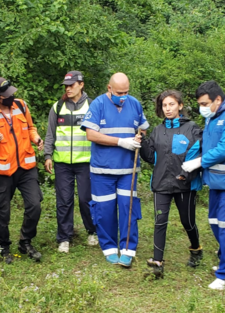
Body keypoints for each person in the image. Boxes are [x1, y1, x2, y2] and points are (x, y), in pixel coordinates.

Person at [182, 80, 225, 290]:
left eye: (205, 103)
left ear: (218, 99)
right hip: (217, 181)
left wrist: (198, 162)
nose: (202, 108)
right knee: (216, 223)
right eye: (200, 104)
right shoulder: (214, 115)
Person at [80, 72, 149, 267]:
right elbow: (91, 135)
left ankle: (128, 249)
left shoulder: (134, 104)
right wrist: (120, 142)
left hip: (128, 170)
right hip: (102, 171)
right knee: (105, 210)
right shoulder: (98, 105)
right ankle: (109, 248)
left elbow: (142, 128)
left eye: (126, 92)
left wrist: (138, 138)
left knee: (128, 209)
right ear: (109, 88)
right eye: (119, 92)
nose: (123, 96)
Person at [0, 77, 44, 264]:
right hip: (2, 170)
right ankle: (3, 247)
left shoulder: (21, 106)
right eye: (7, 95)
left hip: (26, 166)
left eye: (12, 92)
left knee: (34, 204)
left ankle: (25, 241)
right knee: (3, 211)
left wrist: (36, 138)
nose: (12, 96)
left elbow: (31, 127)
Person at [140, 90, 203, 278]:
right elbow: (151, 157)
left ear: (180, 106)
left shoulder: (192, 128)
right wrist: (142, 142)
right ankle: (157, 263)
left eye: (171, 104)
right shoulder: (158, 131)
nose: (168, 109)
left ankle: (196, 249)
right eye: (164, 105)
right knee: (160, 221)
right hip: (161, 183)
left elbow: (199, 153)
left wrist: (186, 173)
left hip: (184, 183)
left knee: (187, 221)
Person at [43, 71, 98, 253]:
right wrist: (48, 156)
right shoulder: (58, 107)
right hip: (62, 163)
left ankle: (92, 231)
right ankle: (64, 238)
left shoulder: (92, 106)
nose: (68, 89)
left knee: (85, 199)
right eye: (66, 86)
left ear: (81, 85)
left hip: (86, 162)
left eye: (71, 85)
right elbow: (50, 134)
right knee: (64, 201)